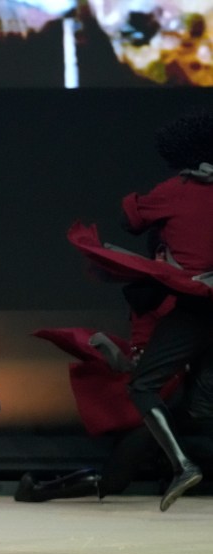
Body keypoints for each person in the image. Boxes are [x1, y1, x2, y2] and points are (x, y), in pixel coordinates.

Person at [61, 109, 213, 511]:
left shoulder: (177, 190)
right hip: (195, 314)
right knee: (199, 406)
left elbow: (132, 217)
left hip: (197, 309)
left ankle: (183, 465)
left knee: (145, 388)